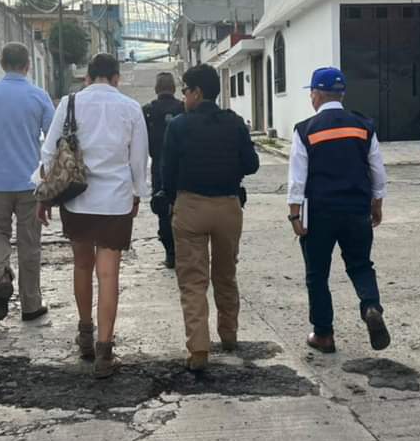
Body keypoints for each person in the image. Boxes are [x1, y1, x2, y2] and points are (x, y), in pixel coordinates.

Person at [36, 53, 148, 378]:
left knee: (82, 265)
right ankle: (104, 352)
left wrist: (45, 193)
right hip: (115, 201)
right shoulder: (130, 108)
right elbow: (139, 159)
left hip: (77, 199)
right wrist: (138, 192)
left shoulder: (70, 103)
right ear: (116, 78)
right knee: (108, 275)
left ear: (87, 77)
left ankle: (85, 335)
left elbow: (49, 151)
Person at [161, 64, 259, 371]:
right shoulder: (235, 123)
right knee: (226, 274)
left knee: (192, 280)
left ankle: (199, 350)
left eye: (185, 91)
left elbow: (167, 173)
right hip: (228, 207)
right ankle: (228, 335)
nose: (183, 97)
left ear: (197, 92)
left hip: (191, 206)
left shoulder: (178, 126)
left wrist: (172, 199)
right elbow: (252, 164)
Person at [287, 67, 390, 354]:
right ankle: (370, 306)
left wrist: (294, 214)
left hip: (319, 212)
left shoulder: (305, 129)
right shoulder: (363, 125)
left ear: (316, 94)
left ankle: (323, 335)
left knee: (317, 274)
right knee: (361, 265)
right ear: (341, 94)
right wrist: (377, 204)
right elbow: (377, 169)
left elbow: (297, 177)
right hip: (356, 209)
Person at [0, 43, 56, 323]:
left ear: (1, 62)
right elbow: (52, 143)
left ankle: (1, 272)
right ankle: (31, 304)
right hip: (30, 183)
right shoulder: (39, 96)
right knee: (30, 243)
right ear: (28, 65)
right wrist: (50, 181)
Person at [143, 72, 185, 268]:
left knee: (163, 207)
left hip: (159, 165)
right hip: (182, 166)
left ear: (156, 89)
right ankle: (183, 249)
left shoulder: (148, 110)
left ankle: (170, 252)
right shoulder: (183, 108)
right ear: (174, 88)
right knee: (183, 207)